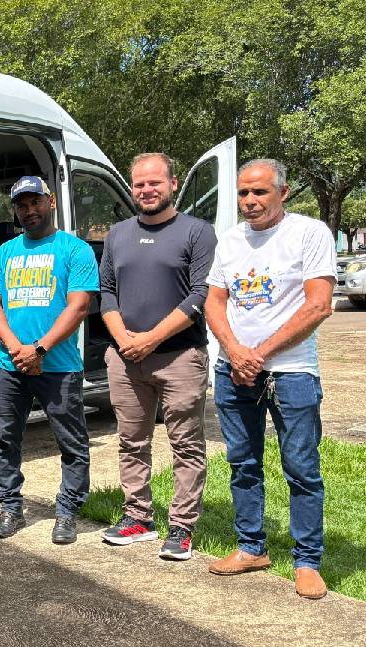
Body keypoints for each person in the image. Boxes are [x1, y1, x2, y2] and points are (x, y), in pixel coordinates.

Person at [204, 159, 335, 600]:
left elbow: (318, 305)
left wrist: (258, 354)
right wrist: (235, 351)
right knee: (242, 463)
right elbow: (214, 302)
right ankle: (250, 547)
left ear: (284, 192)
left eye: (259, 192)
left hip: (292, 373)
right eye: (243, 192)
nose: (250, 201)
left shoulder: (309, 233)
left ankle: (307, 561)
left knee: (301, 467)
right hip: (234, 371)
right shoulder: (230, 240)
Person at [98, 153, 218, 560]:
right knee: (131, 442)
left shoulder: (197, 232)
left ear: (173, 183)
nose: (147, 190)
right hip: (125, 358)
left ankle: (182, 527)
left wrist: (150, 339)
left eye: (155, 182)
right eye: (139, 184)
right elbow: (107, 292)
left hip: (180, 357)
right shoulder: (117, 234)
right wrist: (123, 339)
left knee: (186, 444)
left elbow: (201, 294)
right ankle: (138, 518)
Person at [0, 176, 98, 545]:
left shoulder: (75, 249)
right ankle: (10, 508)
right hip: (7, 364)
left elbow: (78, 306)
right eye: (21, 205)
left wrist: (40, 350)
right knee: (5, 439)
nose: (29, 210)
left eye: (35, 202)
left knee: (71, 443)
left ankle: (67, 512)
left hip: (58, 365)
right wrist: (17, 348)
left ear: (51, 202)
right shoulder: (4, 253)